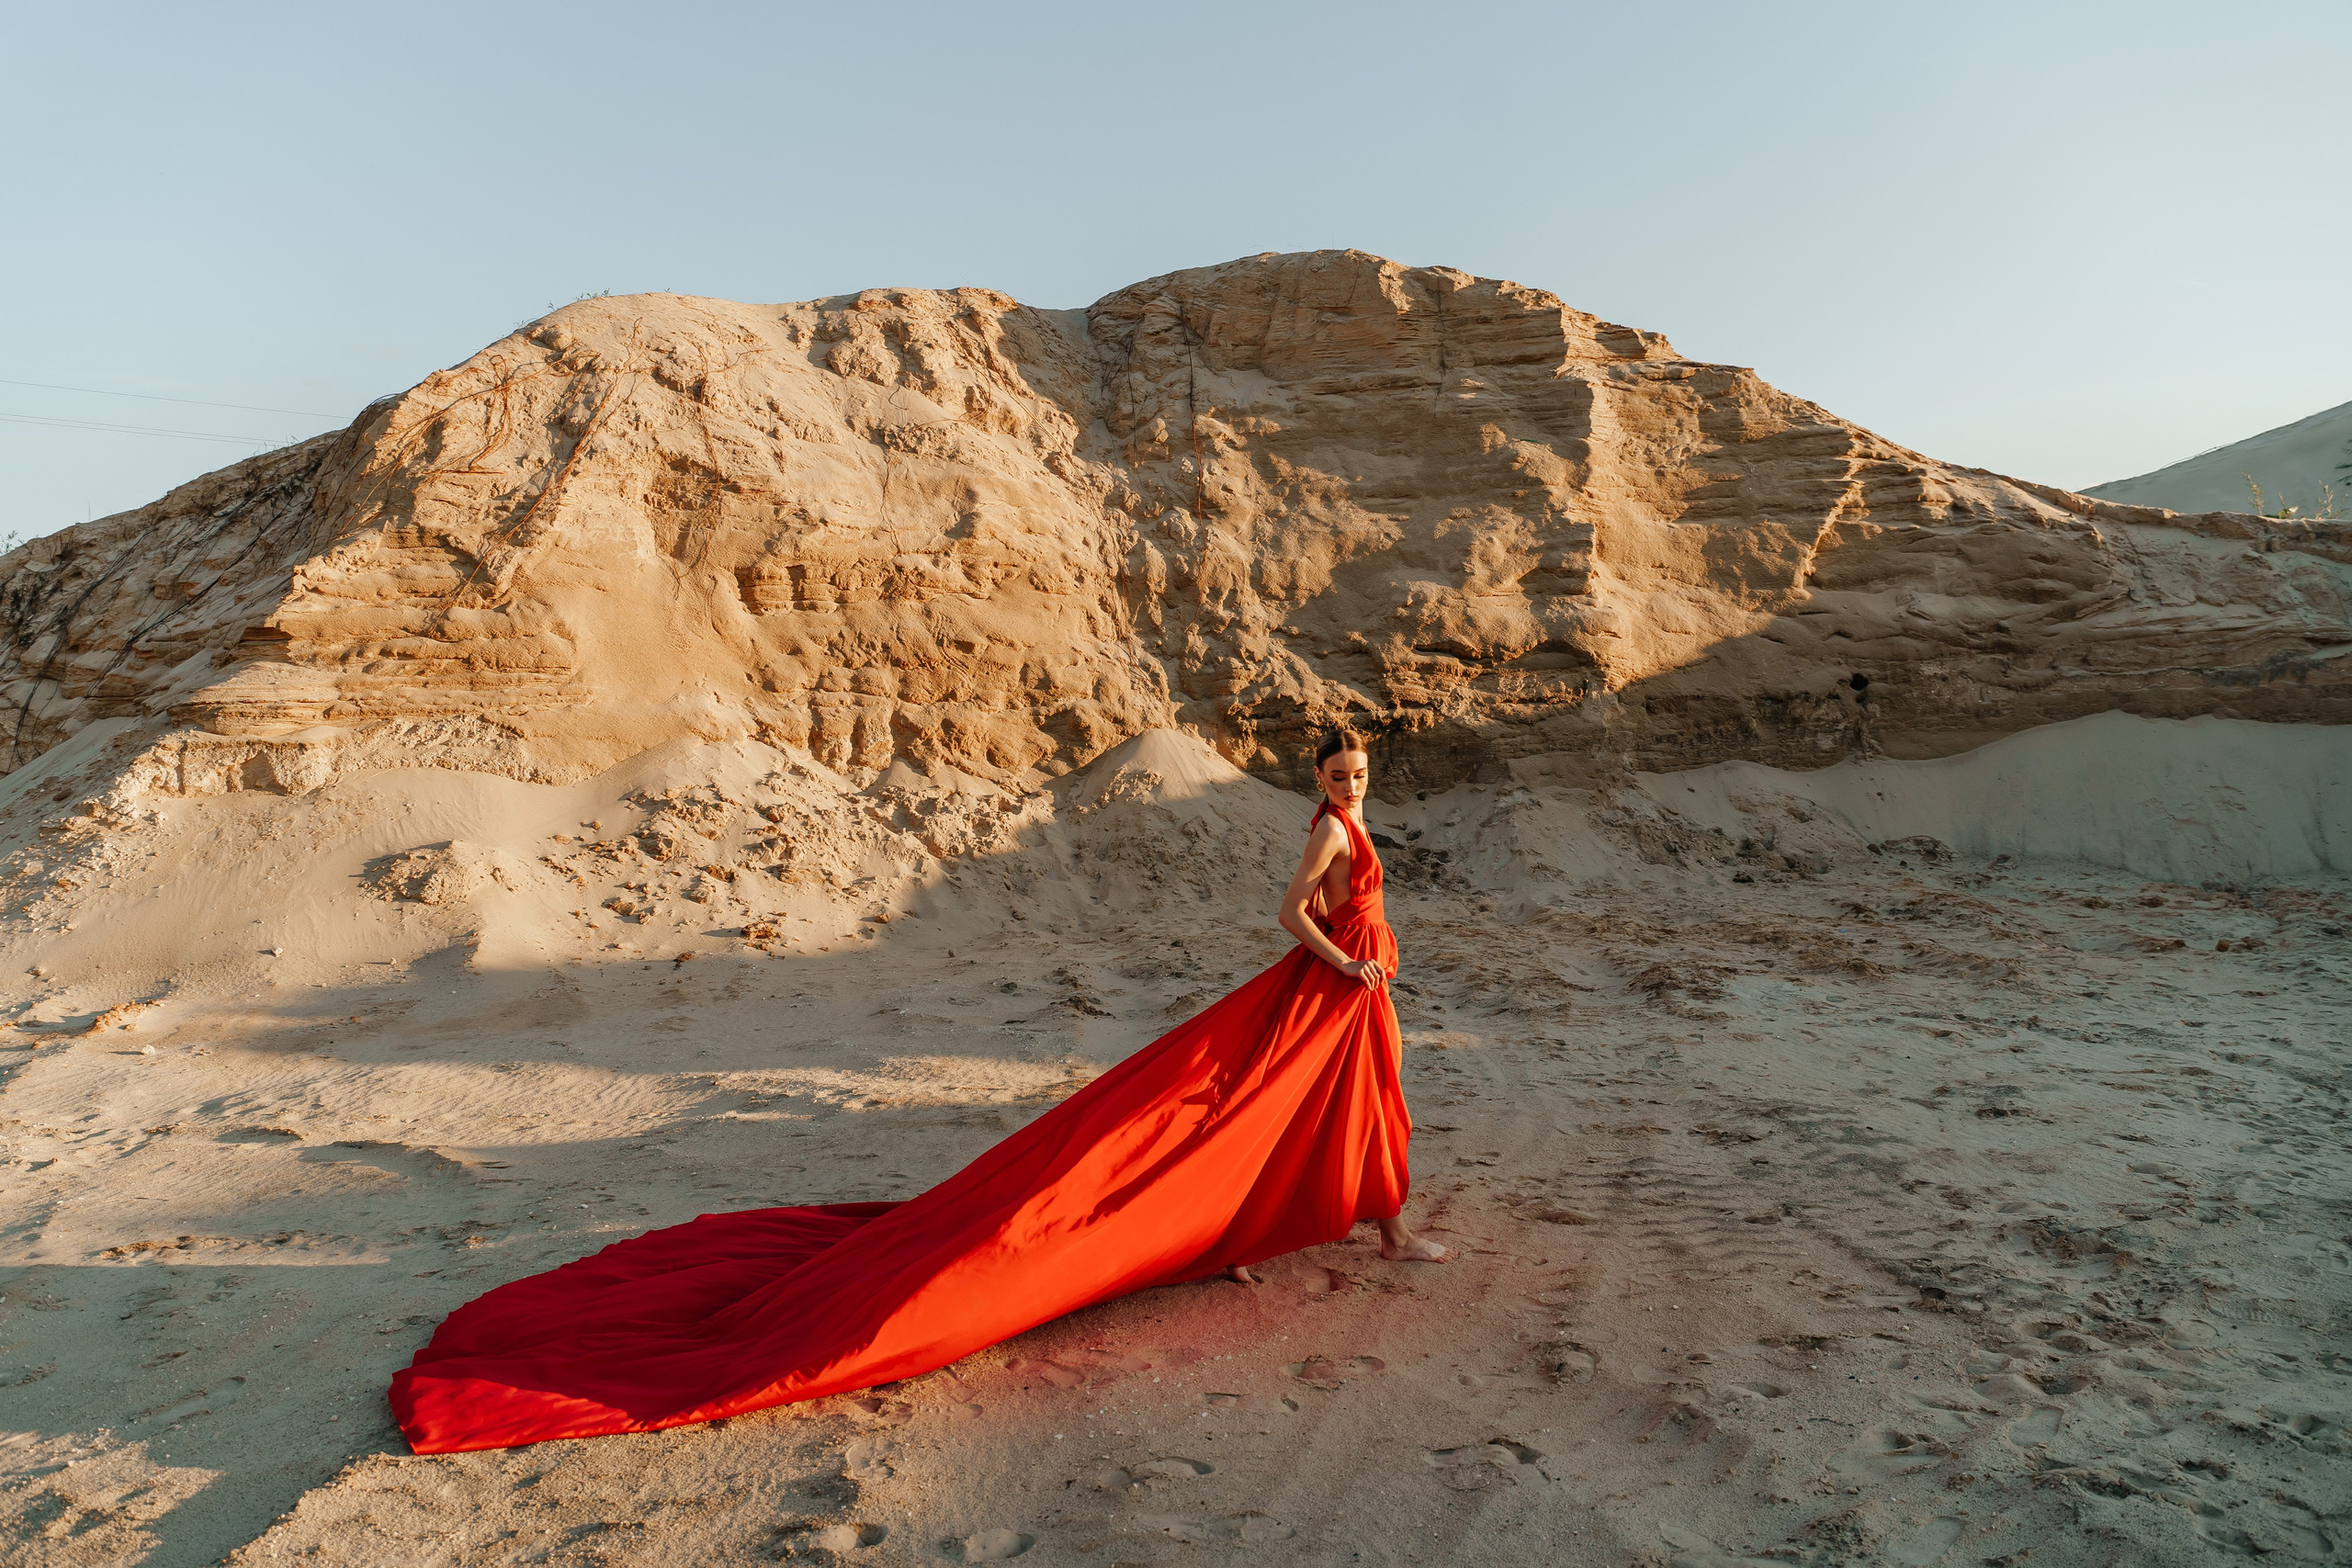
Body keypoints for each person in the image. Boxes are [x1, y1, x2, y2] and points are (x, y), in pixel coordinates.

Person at [390, 726, 1446, 1454]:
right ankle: (1328, 1231)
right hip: (1330, 983)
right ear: (1320, 778)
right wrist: (1343, 960)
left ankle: (1341, 1228)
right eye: (1340, 776)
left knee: (1346, 1099)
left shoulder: (1354, 823)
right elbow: (1285, 917)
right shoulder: (1322, 831)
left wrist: (1362, 961)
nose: (1351, 787)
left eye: (1359, 776)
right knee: (1288, 1106)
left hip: (1356, 982)